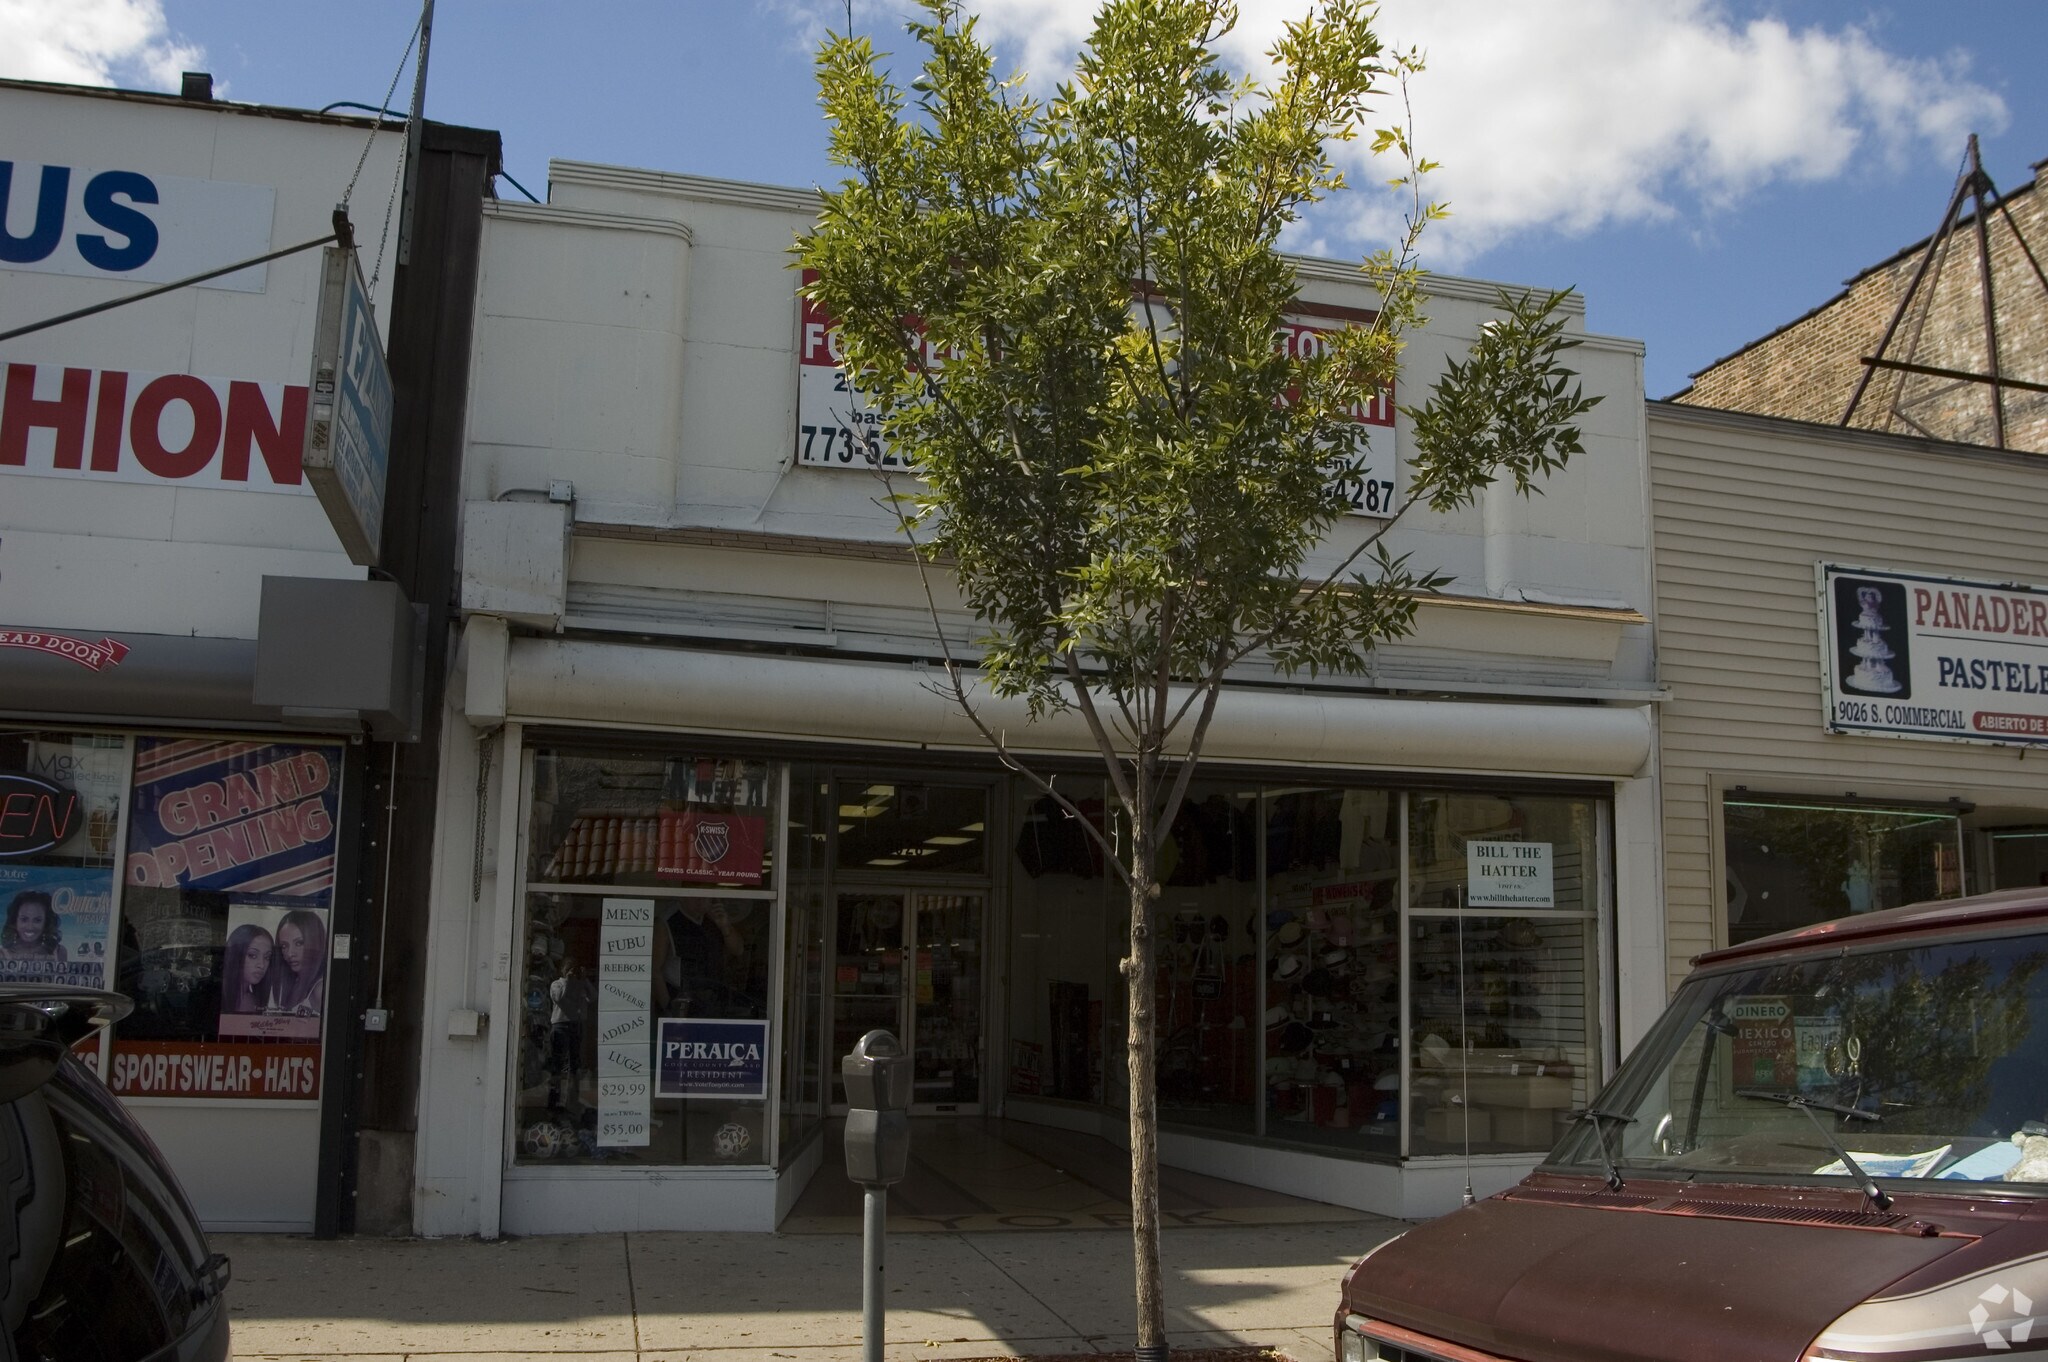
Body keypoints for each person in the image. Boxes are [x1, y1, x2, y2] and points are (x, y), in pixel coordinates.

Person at [654, 901, 745, 1015]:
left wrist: (726, 927)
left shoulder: (714, 918)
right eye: (695, 895)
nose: (700, 902)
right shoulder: (667, 921)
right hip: (681, 998)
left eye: (706, 896)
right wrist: (669, 1009)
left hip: (714, 998)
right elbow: (655, 970)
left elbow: (738, 950)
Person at [547, 958, 596, 1109]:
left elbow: (594, 997)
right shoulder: (557, 984)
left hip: (577, 1025)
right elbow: (560, 999)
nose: (573, 973)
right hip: (561, 1025)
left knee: (575, 1065)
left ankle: (571, 1101)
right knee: (558, 1064)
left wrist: (585, 980)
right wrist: (568, 981)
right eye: (571, 970)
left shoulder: (581, 985)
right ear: (564, 970)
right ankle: (554, 1100)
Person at [269, 909, 328, 1015]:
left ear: (315, 942)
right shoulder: (295, 981)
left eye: (299, 943)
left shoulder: (320, 990)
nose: (290, 953)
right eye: (284, 946)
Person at [0, 891, 67, 966]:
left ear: (46, 922)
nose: (30, 927)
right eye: (24, 919)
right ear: (15, 920)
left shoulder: (59, 952)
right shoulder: (2, 953)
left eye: (37, 920)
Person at [220, 924, 274, 1014]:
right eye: (252, 955)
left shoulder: (253, 1001)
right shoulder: (216, 995)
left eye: (267, 957)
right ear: (236, 955)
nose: (261, 965)